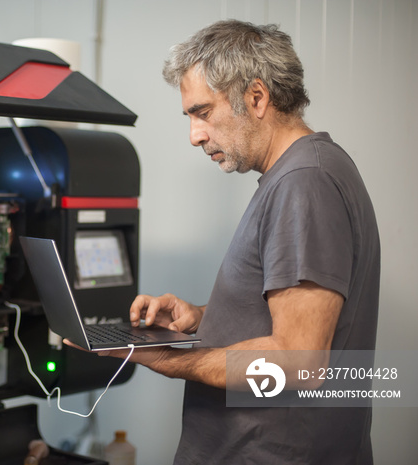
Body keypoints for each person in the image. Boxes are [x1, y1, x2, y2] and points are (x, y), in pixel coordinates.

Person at [78, 20, 381, 464]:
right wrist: (201, 317)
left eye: (202, 112)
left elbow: (298, 361)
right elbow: (281, 316)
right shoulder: (305, 171)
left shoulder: (304, 182)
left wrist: (168, 359)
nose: (195, 135)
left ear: (257, 98)